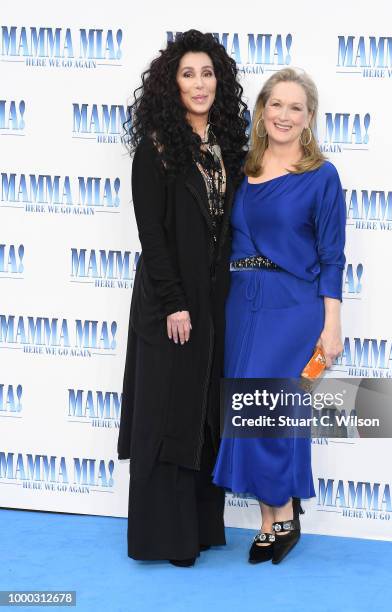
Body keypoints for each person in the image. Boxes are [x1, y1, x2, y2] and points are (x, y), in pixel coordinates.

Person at [117, 29, 247, 567]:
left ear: (221, 80)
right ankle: (164, 539)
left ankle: (199, 528)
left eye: (208, 73)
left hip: (215, 304)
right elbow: (152, 233)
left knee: (204, 414)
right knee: (167, 413)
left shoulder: (230, 144)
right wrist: (174, 302)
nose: (200, 83)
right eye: (188, 73)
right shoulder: (157, 148)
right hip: (170, 304)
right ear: (172, 83)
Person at [212, 67, 346, 564]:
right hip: (241, 301)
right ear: (261, 111)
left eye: (296, 107)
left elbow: (332, 255)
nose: (284, 115)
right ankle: (273, 520)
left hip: (292, 305)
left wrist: (332, 324)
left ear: (309, 117)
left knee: (265, 407)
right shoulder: (243, 165)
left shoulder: (321, 176)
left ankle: (284, 512)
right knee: (248, 410)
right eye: (276, 105)